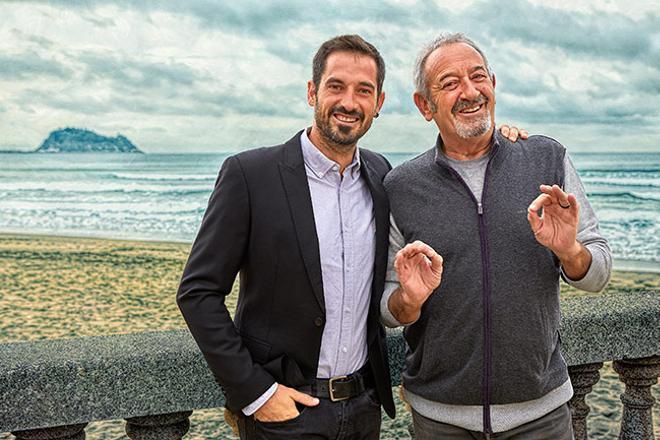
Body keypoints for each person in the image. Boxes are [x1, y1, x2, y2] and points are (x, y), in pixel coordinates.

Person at [381, 33, 612, 439]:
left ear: (493, 83)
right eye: (449, 83)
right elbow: (386, 308)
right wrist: (408, 299)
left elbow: (598, 273)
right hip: (440, 421)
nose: (469, 92)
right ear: (424, 105)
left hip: (543, 415)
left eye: (478, 77)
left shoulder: (545, 158)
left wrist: (570, 251)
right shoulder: (400, 186)